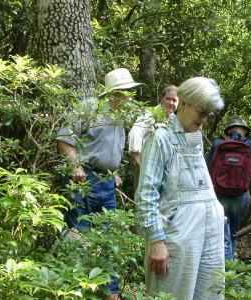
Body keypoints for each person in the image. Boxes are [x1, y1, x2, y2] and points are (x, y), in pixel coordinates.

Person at [56, 68, 144, 300]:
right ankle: (74, 290)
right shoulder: (88, 108)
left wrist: (112, 173)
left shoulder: (120, 118)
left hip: (106, 183)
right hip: (84, 180)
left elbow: (108, 150)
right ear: (114, 91)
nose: (129, 96)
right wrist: (76, 167)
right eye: (126, 91)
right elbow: (65, 139)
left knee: (109, 238)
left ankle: (110, 293)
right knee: (79, 235)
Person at [136, 77, 225, 300]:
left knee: (211, 294)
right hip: (179, 235)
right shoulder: (160, 138)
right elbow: (146, 194)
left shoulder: (195, 138)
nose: (203, 120)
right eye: (201, 112)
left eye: (208, 114)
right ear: (183, 102)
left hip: (210, 233)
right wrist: (156, 241)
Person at [206, 116, 251, 261]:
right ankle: (228, 277)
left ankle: (224, 276)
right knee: (232, 235)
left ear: (228, 130)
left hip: (218, 197)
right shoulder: (250, 145)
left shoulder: (218, 144)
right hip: (240, 197)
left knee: (222, 238)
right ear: (244, 130)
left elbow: (205, 170)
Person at [128, 85, 178, 190]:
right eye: (168, 98)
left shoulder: (175, 121)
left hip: (165, 173)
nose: (171, 103)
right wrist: (141, 165)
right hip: (147, 169)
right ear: (161, 98)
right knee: (145, 203)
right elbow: (135, 134)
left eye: (174, 100)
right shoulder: (150, 114)